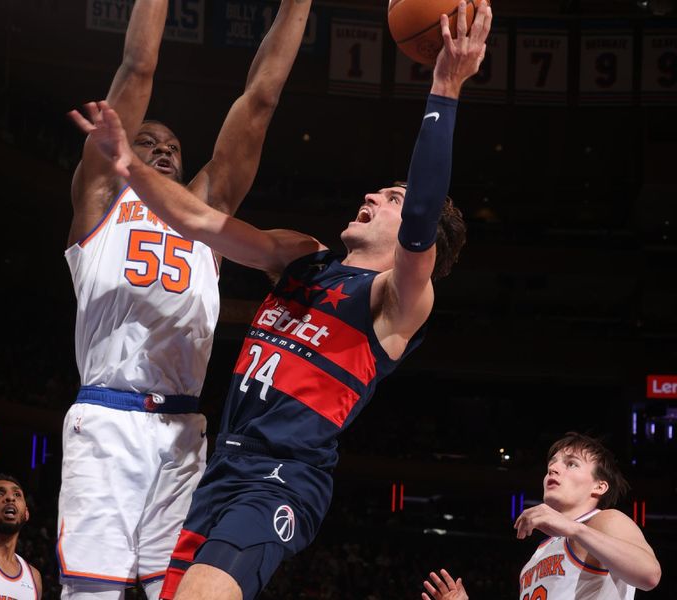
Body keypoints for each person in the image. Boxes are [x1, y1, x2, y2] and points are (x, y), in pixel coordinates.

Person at [68, 2, 492, 598]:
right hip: (220, 468)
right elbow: (200, 219)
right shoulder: (300, 259)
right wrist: (127, 164)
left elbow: (423, 213)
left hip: (281, 478)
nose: (374, 194)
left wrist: (445, 85)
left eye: (391, 197)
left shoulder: (397, 300)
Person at [57, 0, 313, 596]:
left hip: (181, 430)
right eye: (149, 141)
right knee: (91, 592)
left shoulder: (206, 219)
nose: (166, 149)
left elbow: (261, 98)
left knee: (181, 591)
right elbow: (139, 66)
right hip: (107, 423)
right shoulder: (100, 201)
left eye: (173, 145)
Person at [514, 432, 661, 599]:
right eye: (552, 463)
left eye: (571, 464)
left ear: (599, 487)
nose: (552, 469)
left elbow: (649, 575)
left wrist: (574, 529)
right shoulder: (536, 557)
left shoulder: (606, 519)